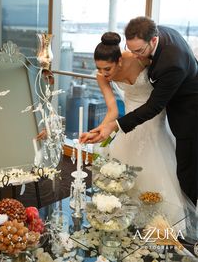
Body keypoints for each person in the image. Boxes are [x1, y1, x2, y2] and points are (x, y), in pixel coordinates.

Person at [80, 17, 198, 208]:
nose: (135, 55)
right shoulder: (147, 45)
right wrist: (101, 129)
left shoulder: (168, 62)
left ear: (153, 41)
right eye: (131, 49)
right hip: (132, 118)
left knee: (185, 172)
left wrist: (115, 126)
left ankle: (187, 227)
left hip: (183, 111)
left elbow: (154, 105)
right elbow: (112, 110)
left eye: (139, 51)